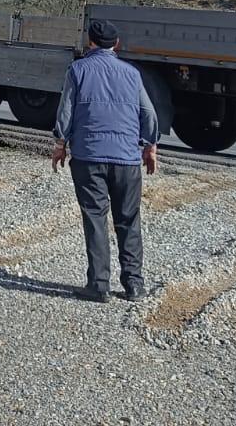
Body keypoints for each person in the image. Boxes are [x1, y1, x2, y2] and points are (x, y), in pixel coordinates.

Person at [51, 19, 160, 302]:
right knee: (129, 219)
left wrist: (60, 144)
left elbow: (66, 111)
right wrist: (150, 146)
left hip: (88, 157)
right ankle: (134, 285)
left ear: (90, 43)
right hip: (126, 159)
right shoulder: (132, 73)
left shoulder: (77, 70)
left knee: (95, 218)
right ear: (117, 44)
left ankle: (99, 286)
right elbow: (148, 113)